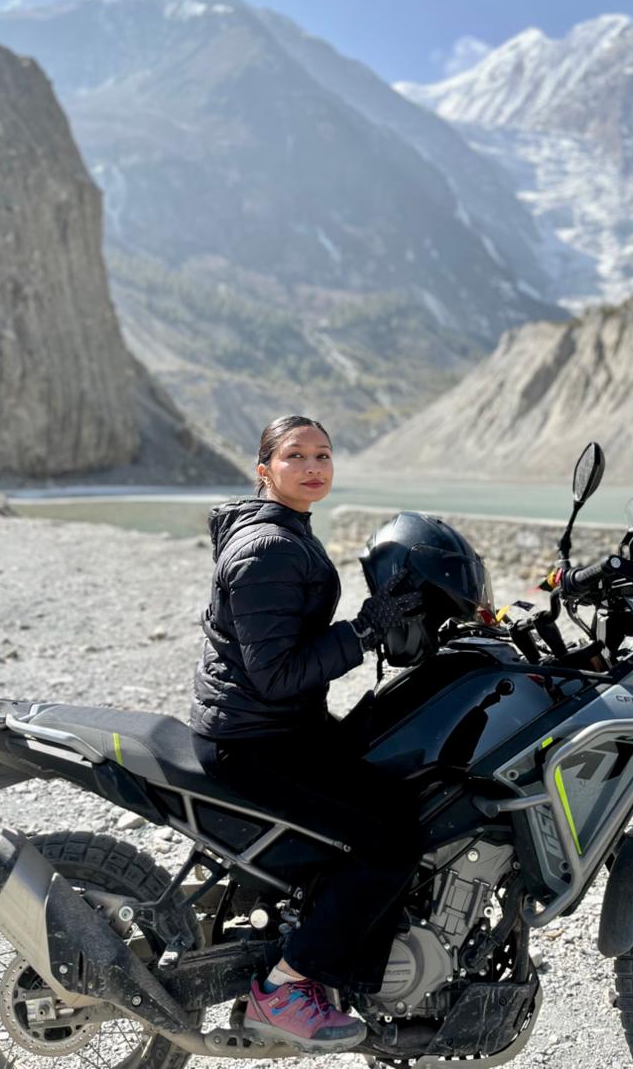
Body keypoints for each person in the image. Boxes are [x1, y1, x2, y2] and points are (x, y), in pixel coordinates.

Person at [190, 414, 424, 1052]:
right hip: (254, 740)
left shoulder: (286, 530)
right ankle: (285, 988)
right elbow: (276, 674)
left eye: (323, 454)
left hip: (276, 725)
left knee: (390, 774)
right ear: (264, 469)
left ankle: (342, 950)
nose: (314, 466)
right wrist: (363, 631)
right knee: (393, 837)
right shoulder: (267, 546)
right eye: (296, 456)